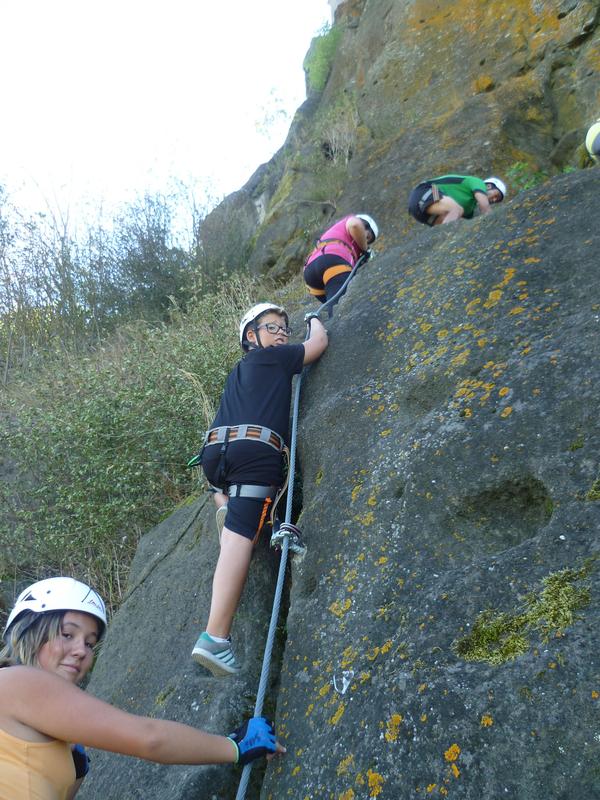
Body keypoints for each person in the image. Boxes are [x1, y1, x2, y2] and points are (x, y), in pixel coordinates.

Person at [0, 577, 283, 800]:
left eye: (89, 642)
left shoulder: (65, 744)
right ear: (29, 631)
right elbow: (149, 738)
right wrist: (236, 746)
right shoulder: (17, 682)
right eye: (67, 634)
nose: (81, 651)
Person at [189, 302, 328, 677]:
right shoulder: (277, 359)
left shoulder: (238, 372)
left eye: (285, 329)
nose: (283, 334)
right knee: (239, 540)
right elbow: (318, 345)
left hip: (216, 457)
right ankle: (215, 638)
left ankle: (225, 504)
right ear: (252, 336)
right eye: (273, 328)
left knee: (237, 511)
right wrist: (314, 318)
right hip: (255, 454)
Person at [303, 213, 379, 309]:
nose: (365, 239)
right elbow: (355, 225)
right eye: (366, 237)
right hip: (332, 262)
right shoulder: (352, 220)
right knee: (341, 310)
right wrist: (365, 250)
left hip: (310, 272)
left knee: (333, 313)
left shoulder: (339, 233)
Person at [408, 174, 507, 226]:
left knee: (455, 217)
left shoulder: (470, 209)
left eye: (497, 200)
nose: (494, 199)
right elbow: (485, 207)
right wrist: (495, 222)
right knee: (457, 210)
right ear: (489, 185)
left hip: (422, 215)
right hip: (426, 190)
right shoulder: (477, 182)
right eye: (496, 195)